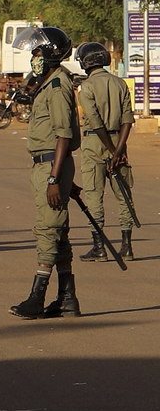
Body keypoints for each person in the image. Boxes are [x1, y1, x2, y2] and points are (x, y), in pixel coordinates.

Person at [8, 27, 82, 319]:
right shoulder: (50, 83)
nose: (34, 58)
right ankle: (67, 299)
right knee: (59, 233)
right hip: (49, 166)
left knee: (48, 230)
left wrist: (55, 178)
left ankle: (36, 298)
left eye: (37, 53)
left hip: (51, 165)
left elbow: (63, 135)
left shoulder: (57, 86)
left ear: (51, 53)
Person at [74, 41, 136, 263]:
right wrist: (118, 150)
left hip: (95, 143)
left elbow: (95, 121)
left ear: (85, 62)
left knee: (94, 195)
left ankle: (99, 247)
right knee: (124, 195)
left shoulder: (86, 87)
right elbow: (128, 119)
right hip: (119, 141)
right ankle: (126, 246)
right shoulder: (120, 83)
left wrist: (110, 150)